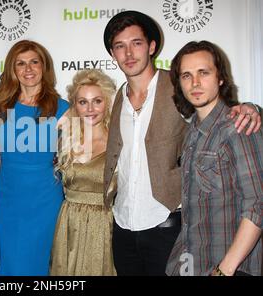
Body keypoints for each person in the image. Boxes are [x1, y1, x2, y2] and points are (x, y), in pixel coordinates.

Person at [102, 10, 261, 276]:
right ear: (112, 53)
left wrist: (252, 108)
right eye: (120, 46)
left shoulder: (178, 87)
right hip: (123, 227)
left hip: (166, 228)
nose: (128, 54)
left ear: (152, 47)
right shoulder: (118, 96)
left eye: (136, 43)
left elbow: (217, 111)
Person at [165, 41, 262, 276]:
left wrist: (224, 270)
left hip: (230, 266)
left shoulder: (239, 127)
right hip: (191, 262)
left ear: (220, 79)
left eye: (203, 73)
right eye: (186, 75)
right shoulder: (191, 132)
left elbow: (257, 205)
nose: (195, 83)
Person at [0, 40, 69, 275]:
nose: (28, 69)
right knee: (11, 264)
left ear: (44, 67)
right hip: (8, 200)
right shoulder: (0, 108)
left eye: (34, 62)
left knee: (39, 264)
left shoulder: (62, 108)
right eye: (20, 63)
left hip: (45, 199)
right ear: (12, 70)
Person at [50, 69, 117, 276]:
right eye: (82, 102)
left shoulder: (119, 140)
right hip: (69, 223)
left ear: (107, 102)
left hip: (105, 225)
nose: (90, 109)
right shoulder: (65, 139)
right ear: (74, 106)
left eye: (97, 101)